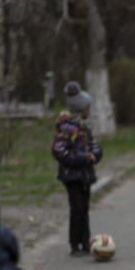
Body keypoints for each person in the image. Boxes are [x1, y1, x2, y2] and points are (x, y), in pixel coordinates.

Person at [53, 80, 102, 256]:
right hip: (71, 175)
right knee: (77, 209)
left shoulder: (85, 127)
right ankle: (74, 244)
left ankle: (85, 242)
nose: (90, 109)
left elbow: (94, 144)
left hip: (85, 174)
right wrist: (82, 158)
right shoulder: (67, 129)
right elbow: (58, 151)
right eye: (88, 106)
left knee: (85, 209)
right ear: (82, 109)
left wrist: (96, 154)